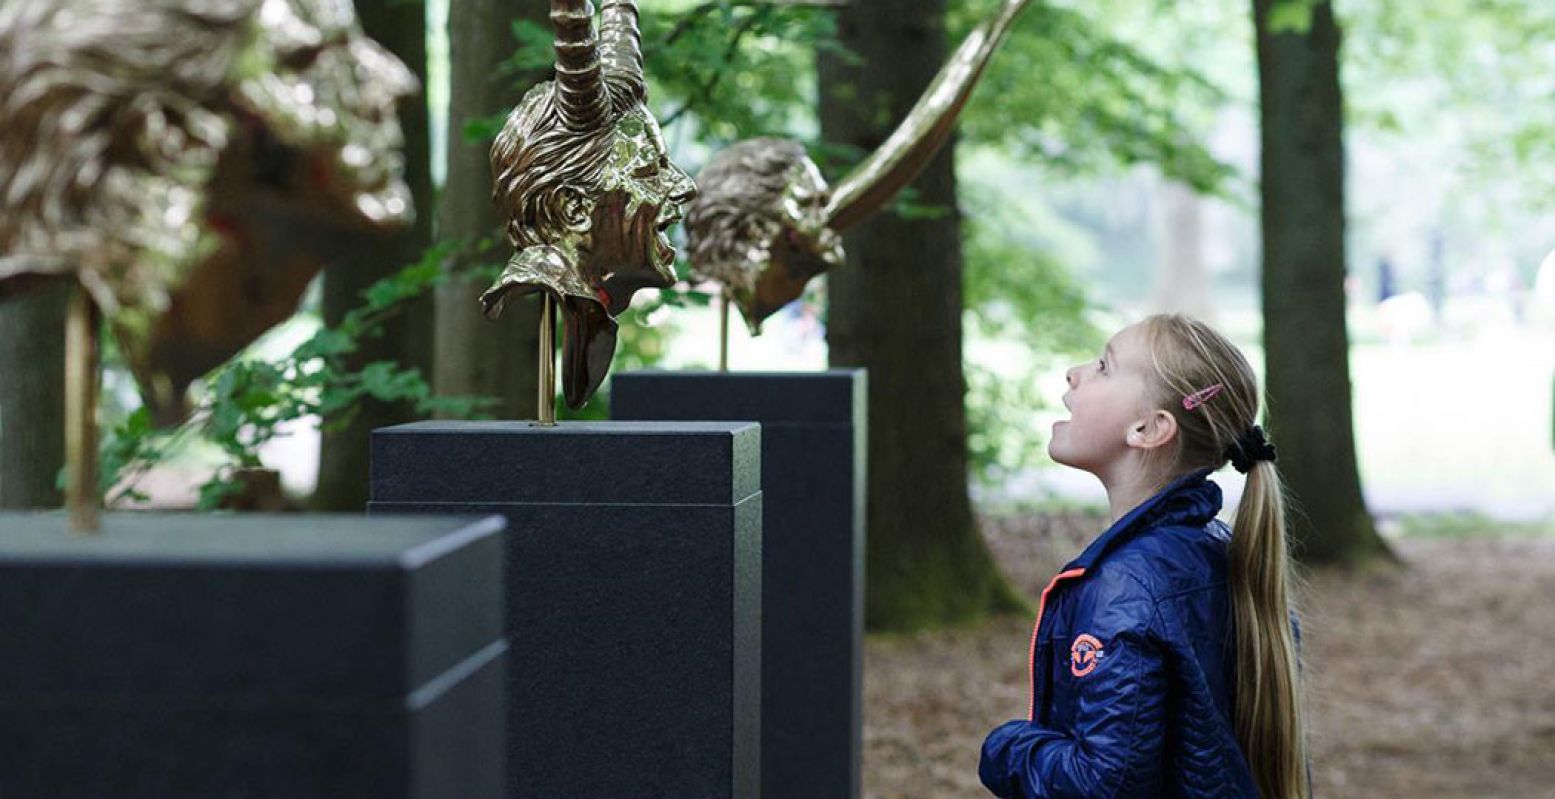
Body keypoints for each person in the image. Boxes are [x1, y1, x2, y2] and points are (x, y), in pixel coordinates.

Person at [978, 314, 1309, 798]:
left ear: (1149, 428)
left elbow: (1103, 786)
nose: (1074, 373)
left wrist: (1006, 747)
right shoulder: (1212, 552)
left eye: (1104, 367)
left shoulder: (1127, 587)